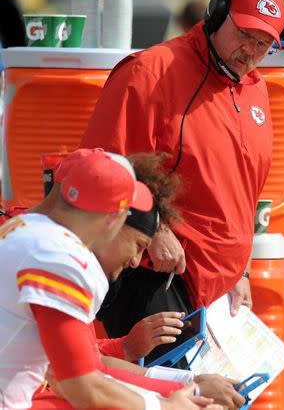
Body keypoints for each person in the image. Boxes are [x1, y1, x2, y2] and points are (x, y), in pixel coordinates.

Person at [80, 0, 284, 329]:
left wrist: (240, 269)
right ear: (217, 15)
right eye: (244, 34)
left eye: (263, 43)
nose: (251, 51)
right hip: (157, 276)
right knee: (162, 384)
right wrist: (155, 230)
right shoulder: (150, 72)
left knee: (215, 387)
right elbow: (103, 167)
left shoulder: (254, 88)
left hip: (221, 294)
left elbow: (244, 187)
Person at [0, 149, 243, 409]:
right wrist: (168, 405)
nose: (136, 261)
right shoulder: (60, 257)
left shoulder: (23, 231)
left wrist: (180, 389)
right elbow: (81, 385)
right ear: (113, 219)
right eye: (139, 244)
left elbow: (75, 372)